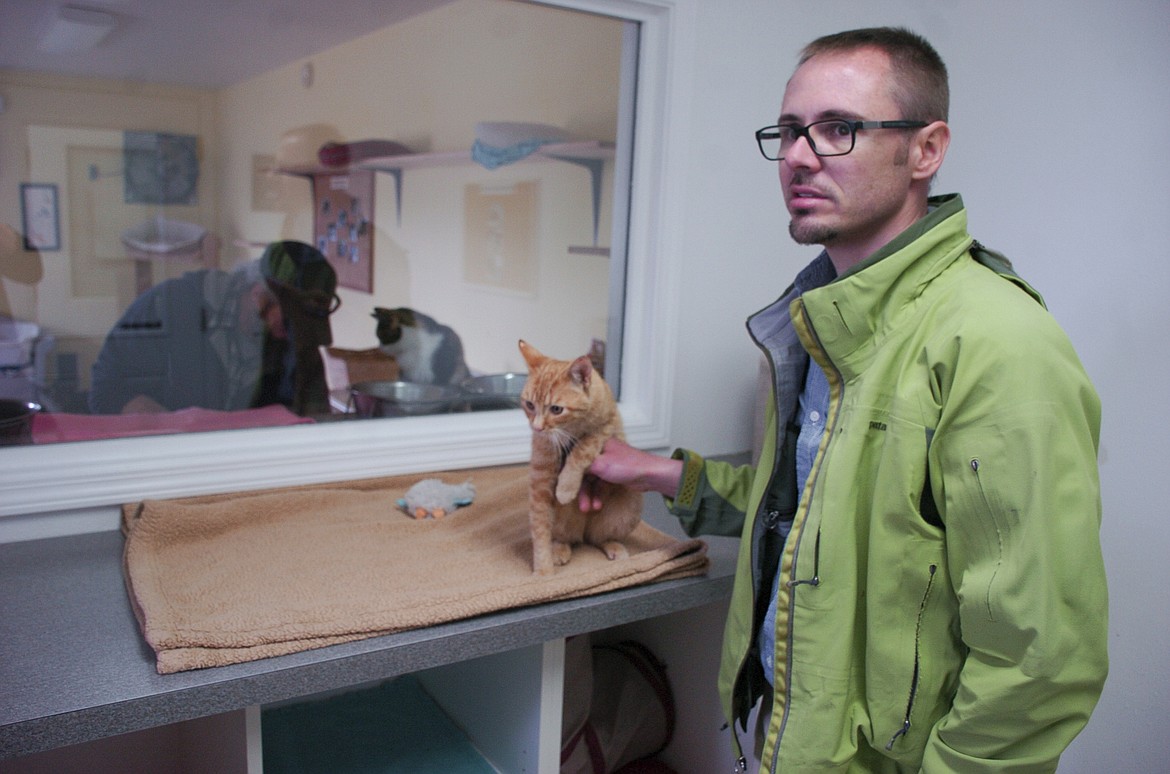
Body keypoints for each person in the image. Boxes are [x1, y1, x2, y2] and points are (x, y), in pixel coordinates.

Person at [581, 27, 1107, 772]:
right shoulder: (826, 320)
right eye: (791, 131)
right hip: (788, 737)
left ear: (925, 149)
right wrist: (659, 473)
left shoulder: (998, 343)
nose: (798, 155)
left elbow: (1041, 658)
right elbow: (813, 516)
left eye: (837, 130)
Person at [89, 240, 338, 417]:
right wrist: (159, 421)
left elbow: (315, 415)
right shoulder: (168, 305)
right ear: (258, 297)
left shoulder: (297, 340)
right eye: (288, 324)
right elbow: (105, 389)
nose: (288, 336)